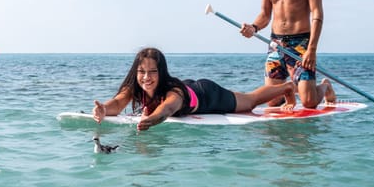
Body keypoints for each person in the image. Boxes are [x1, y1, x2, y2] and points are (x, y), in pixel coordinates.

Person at [240, 0, 336, 108]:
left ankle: (325, 87)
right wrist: (253, 27)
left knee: (309, 102)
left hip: (300, 44)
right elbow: (265, 14)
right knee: (272, 102)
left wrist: (311, 50)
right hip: (276, 43)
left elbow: (317, 14)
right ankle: (288, 91)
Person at [92, 47, 296, 131]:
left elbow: (167, 110)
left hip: (207, 95)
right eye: (141, 72)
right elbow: (118, 103)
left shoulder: (173, 93)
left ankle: (287, 86)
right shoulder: (135, 85)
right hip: (187, 85)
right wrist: (104, 109)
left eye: (152, 72)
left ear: (161, 73)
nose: (146, 77)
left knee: (249, 101)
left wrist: (151, 119)